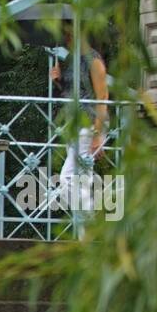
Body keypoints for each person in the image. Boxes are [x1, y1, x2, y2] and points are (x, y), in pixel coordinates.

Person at [49, 25, 110, 237]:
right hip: (72, 126)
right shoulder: (73, 62)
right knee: (81, 180)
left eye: (68, 35)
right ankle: (87, 237)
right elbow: (71, 94)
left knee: (68, 178)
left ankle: (92, 227)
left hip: (88, 125)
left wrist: (98, 134)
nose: (66, 39)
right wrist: (58, 80)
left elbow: (102, 97)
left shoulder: (93, 60)